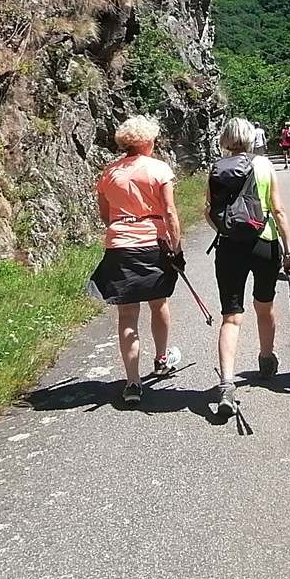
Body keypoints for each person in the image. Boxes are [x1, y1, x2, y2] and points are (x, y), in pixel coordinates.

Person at [89, 115, 185, 406]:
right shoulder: (158, 169)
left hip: (120, 245)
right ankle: (161, 358)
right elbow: (169, 212)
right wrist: (176, 247)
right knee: (159, 303)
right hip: (152, 244)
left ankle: (132, 382)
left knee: (127, 315)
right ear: (147, 142)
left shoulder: (109, 172)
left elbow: (105, 215)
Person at [205, 117, 290, 416]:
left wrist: (226, 229)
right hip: (264, 242)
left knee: (231, 316)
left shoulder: (216, 168)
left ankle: (227, 383)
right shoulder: (265, 166)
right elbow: (278, 210)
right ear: (251, 139)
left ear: (225, 139)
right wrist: (289, 249)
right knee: (264, 305)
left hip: (230, 246)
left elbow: (209, 212)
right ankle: (266, 359)